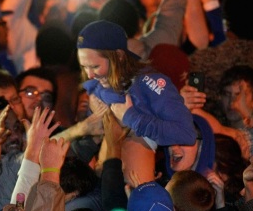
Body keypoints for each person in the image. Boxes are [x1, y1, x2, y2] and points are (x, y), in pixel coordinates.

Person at [77, 20, 196, 183]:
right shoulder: (99, 87)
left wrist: (131, 117)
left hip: (135, 197)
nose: (90, 74)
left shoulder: (149, 83)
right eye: (84, 67)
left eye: (95, 66)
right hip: (102, 188)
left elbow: (186, 134)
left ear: (118, 56)